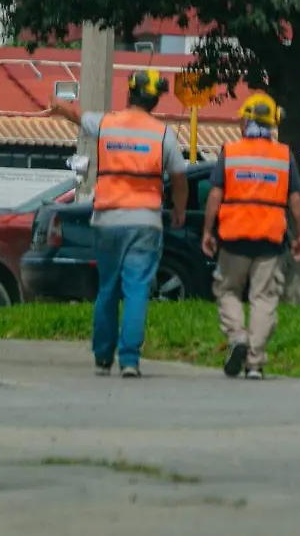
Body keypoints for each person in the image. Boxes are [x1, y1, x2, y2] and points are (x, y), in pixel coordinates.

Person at [49, 69, 188, 378]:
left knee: (108, 288)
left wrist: (57, 103)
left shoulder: (106, 124)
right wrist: (179, 209)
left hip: (108, 219)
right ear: (154, 100)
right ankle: (129, 360)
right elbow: (179, 178)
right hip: (146, 221)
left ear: (129, 94)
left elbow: (78, 115)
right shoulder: (163, 134)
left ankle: (102, 358)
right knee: (137, 289)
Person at [200, 93, 300, 380]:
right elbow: (295, 200)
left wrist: (208, 231)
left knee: (227, 290)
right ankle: (255, 362)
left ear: (246, 120)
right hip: (270, 239)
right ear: (273, 123)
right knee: (264, 297)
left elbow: (214, 194)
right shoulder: (284, 156)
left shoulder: (231, 152)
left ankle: (237, 337)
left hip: (233, 238)